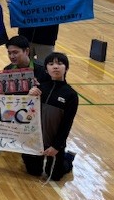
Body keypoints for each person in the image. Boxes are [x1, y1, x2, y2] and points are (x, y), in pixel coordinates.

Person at [24, 52, 78, 181]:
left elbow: (67, 124)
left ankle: (67, 159)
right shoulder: (39, 88)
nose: (55, 66)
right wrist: (29, 96)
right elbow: (25, 112)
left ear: (66, 68)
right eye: (51, 64)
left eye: (60, 64)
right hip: (35, 140)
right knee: (33, 171)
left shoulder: (71, 95)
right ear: (46, 69)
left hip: (54, 142)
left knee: (54, 175)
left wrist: (57, 146)